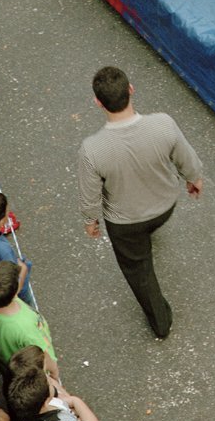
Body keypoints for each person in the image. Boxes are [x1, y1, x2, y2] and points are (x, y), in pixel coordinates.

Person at [76, 65, 202, 340]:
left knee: (139, 270)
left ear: (98, 102)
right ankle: (152, 232)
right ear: (131, 90)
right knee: (150, 229)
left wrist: (90, 220)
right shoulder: (163, 124)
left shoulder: (93, 148)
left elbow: (90, 194)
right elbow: (186, 159)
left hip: (125, 222)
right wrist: (193, 179)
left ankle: (161, 322)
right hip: (164, 204)